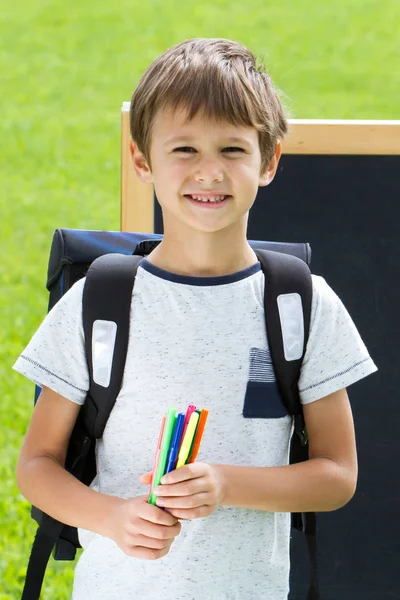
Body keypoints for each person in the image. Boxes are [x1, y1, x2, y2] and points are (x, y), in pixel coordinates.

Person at [14, 37, 378, 600]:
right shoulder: (97, 301)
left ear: (269, 161)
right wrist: (110, 517)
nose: (209, 172)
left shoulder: (301, 303)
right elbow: (37, 466)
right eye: (184, 149)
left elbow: (337, 477)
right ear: (142, 160)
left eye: (232, 150)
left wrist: (226, 483)